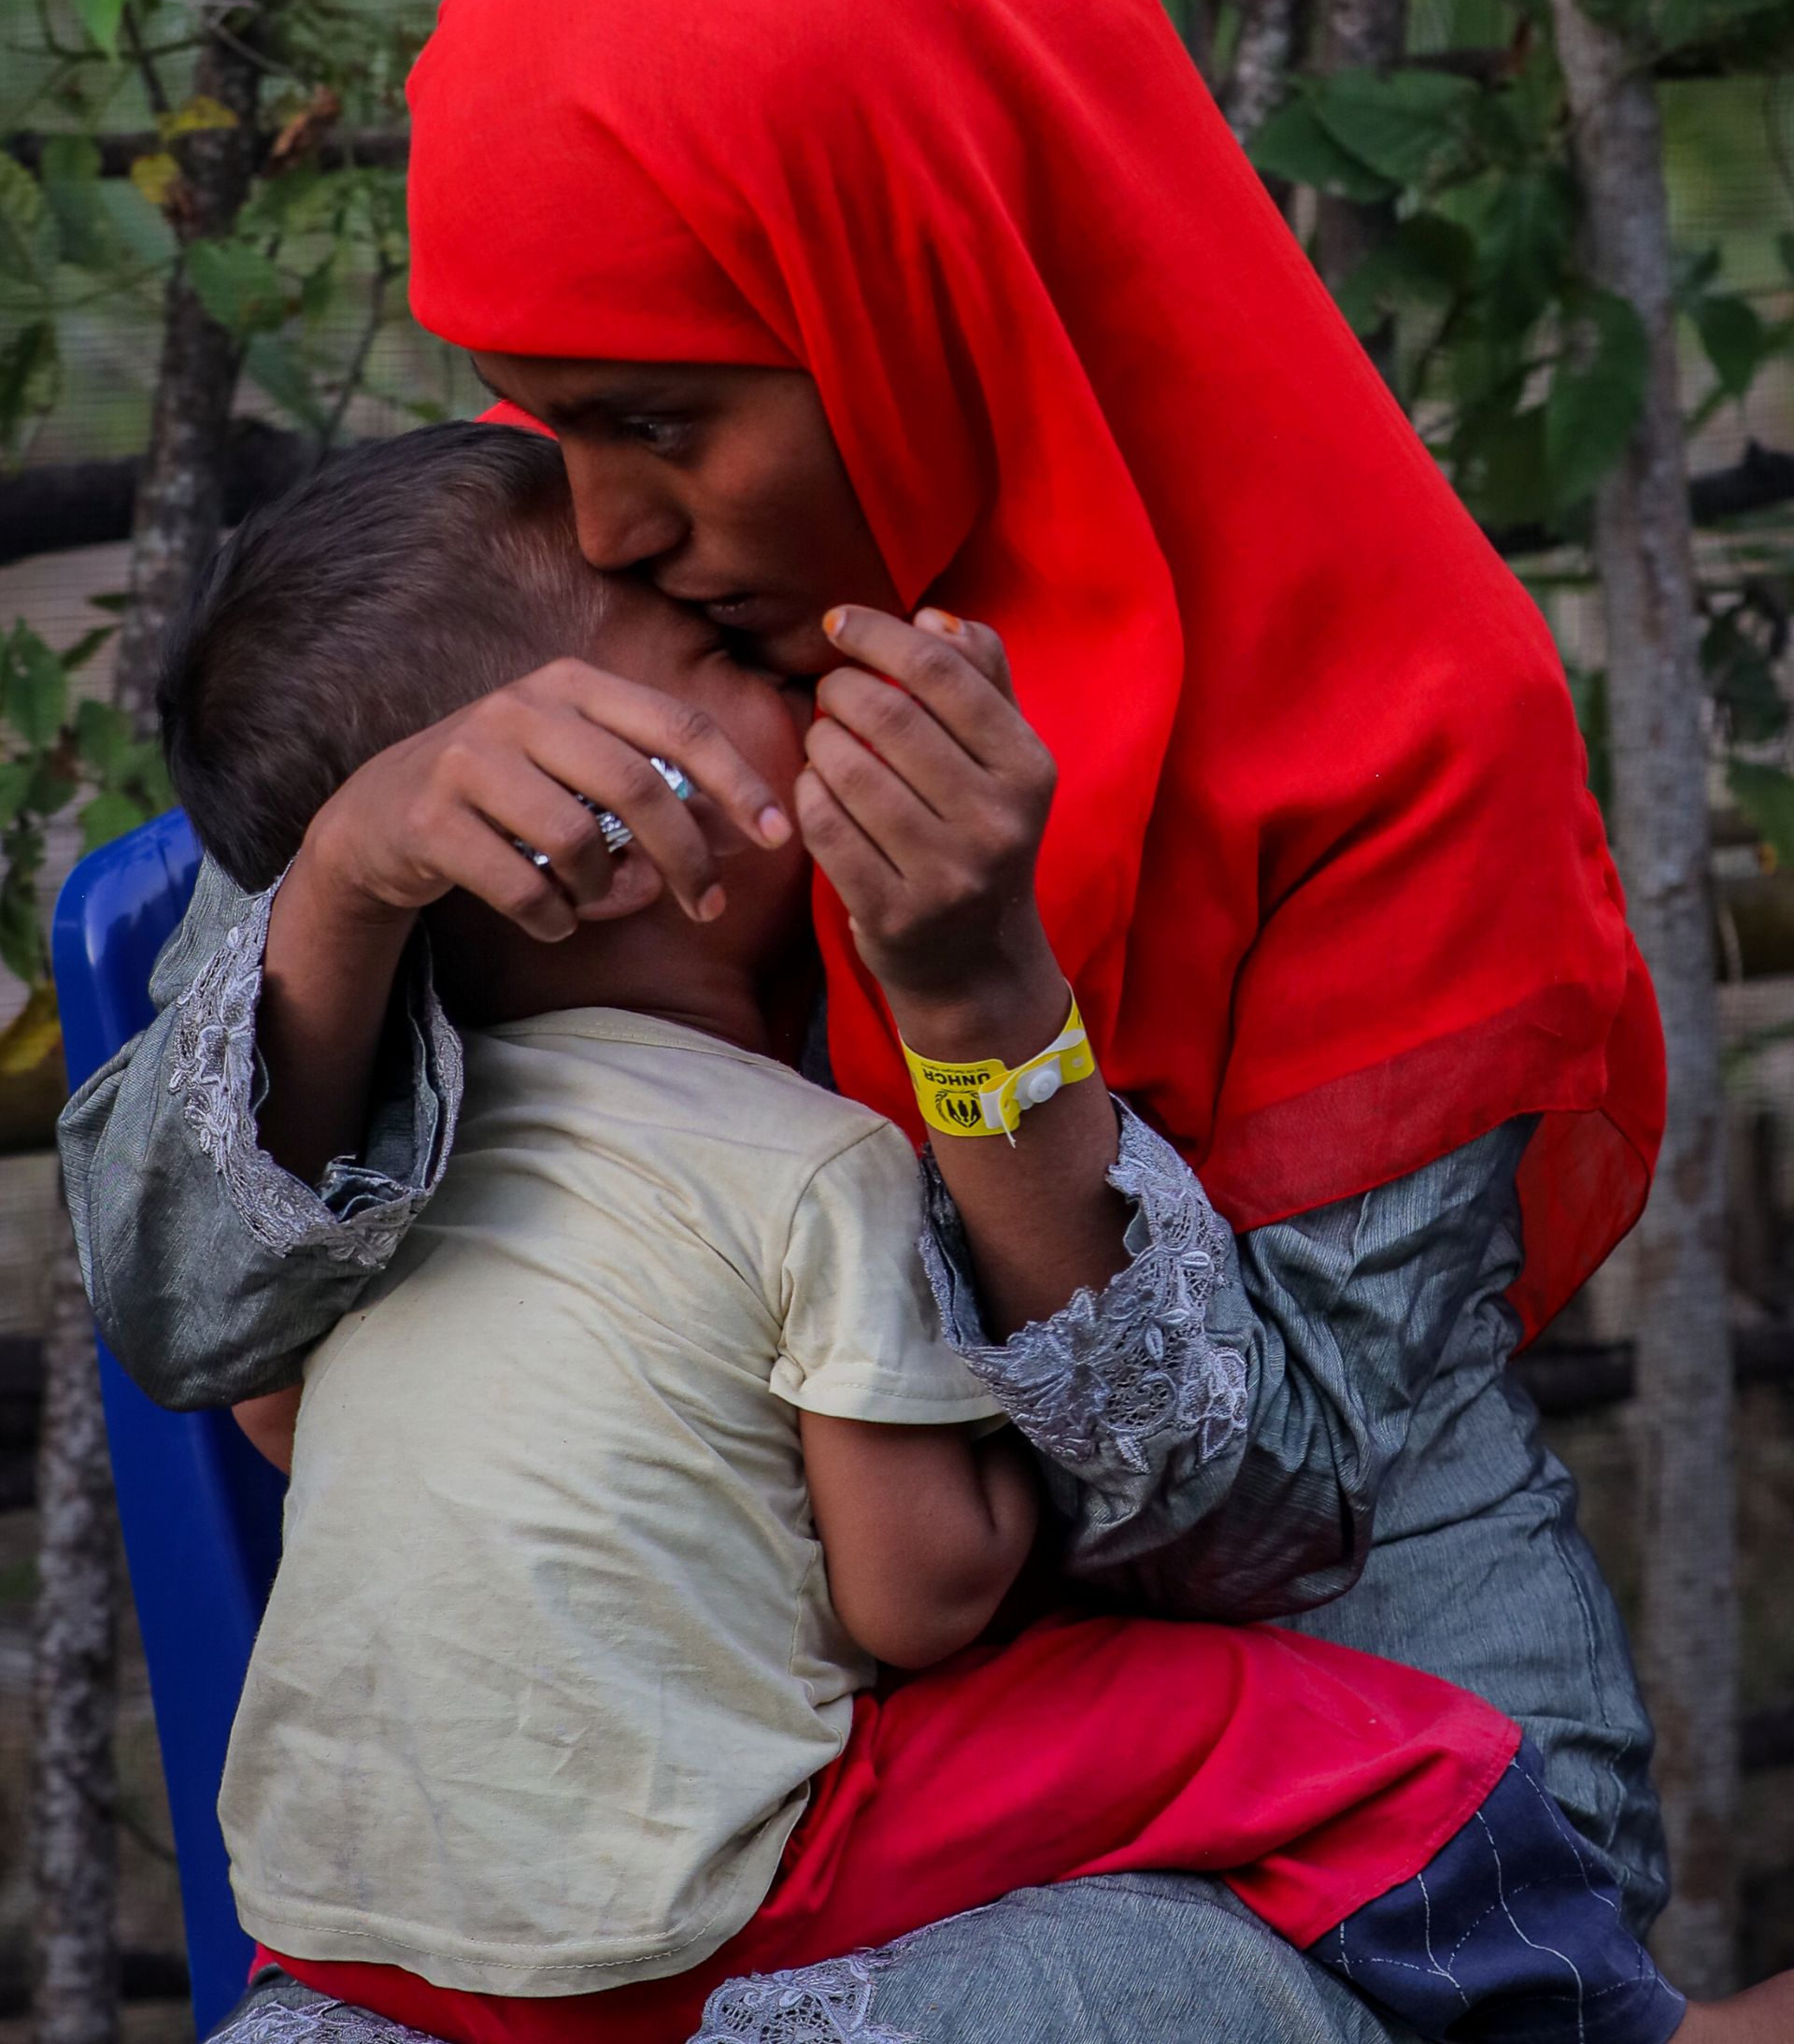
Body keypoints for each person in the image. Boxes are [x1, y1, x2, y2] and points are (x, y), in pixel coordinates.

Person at [60, 0, 1691, 2044]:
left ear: (906, 298)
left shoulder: (1385, 732)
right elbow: (177, 1303)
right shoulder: (597, 652)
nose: (605, 512)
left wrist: (983, 1022)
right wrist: (344, 880)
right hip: (697, 1797)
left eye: (661, 422)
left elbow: (1266, 1536)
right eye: (556, 417)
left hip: (1345, 1815)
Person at [153, 422, 1749, 2044]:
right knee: (1308, 1738)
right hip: (705, 1901)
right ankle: (1621, 2028)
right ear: (591, 829)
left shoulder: (388, 1162)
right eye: (727, 656)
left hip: (355, 1923)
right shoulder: (813, 1162)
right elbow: (917, 1598)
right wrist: (1002, 1455)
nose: (816, 672)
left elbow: (275, 1409)